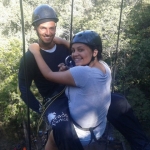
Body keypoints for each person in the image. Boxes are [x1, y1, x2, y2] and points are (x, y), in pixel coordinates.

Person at [18, 4, 150, 150]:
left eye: (52, 28)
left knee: (119, 102)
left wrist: (63, 42)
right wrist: (40, 109)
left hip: (78, 88)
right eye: (43, 28)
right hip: (55, 99)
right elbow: (24, 86)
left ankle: (142, 145)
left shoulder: (65, 48)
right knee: (63, 128)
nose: (48, 32)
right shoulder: (30, 57)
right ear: (35, 28)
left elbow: (82, 50)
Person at [29, 30, 112, 149]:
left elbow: (48, 74)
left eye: (80, 50)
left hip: (81, 134)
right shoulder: (104, 66)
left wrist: (36, 52)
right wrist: (62, 42)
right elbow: (86, 79)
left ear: (95, 52)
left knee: (53, 137)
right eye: (73, 50)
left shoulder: (82, 72)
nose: (74, 54)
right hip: (99, 129)